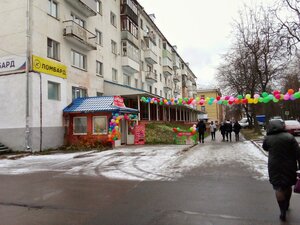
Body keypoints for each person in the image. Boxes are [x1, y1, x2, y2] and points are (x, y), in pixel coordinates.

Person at [262, 120, 300, 221]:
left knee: (278, 188)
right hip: (290, 165)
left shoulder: (268, 138)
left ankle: (282, 211)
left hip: (274, 166)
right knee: (288, 185)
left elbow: (265, 147)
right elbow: (298, 153)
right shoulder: (290, 137)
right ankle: (287, 203)